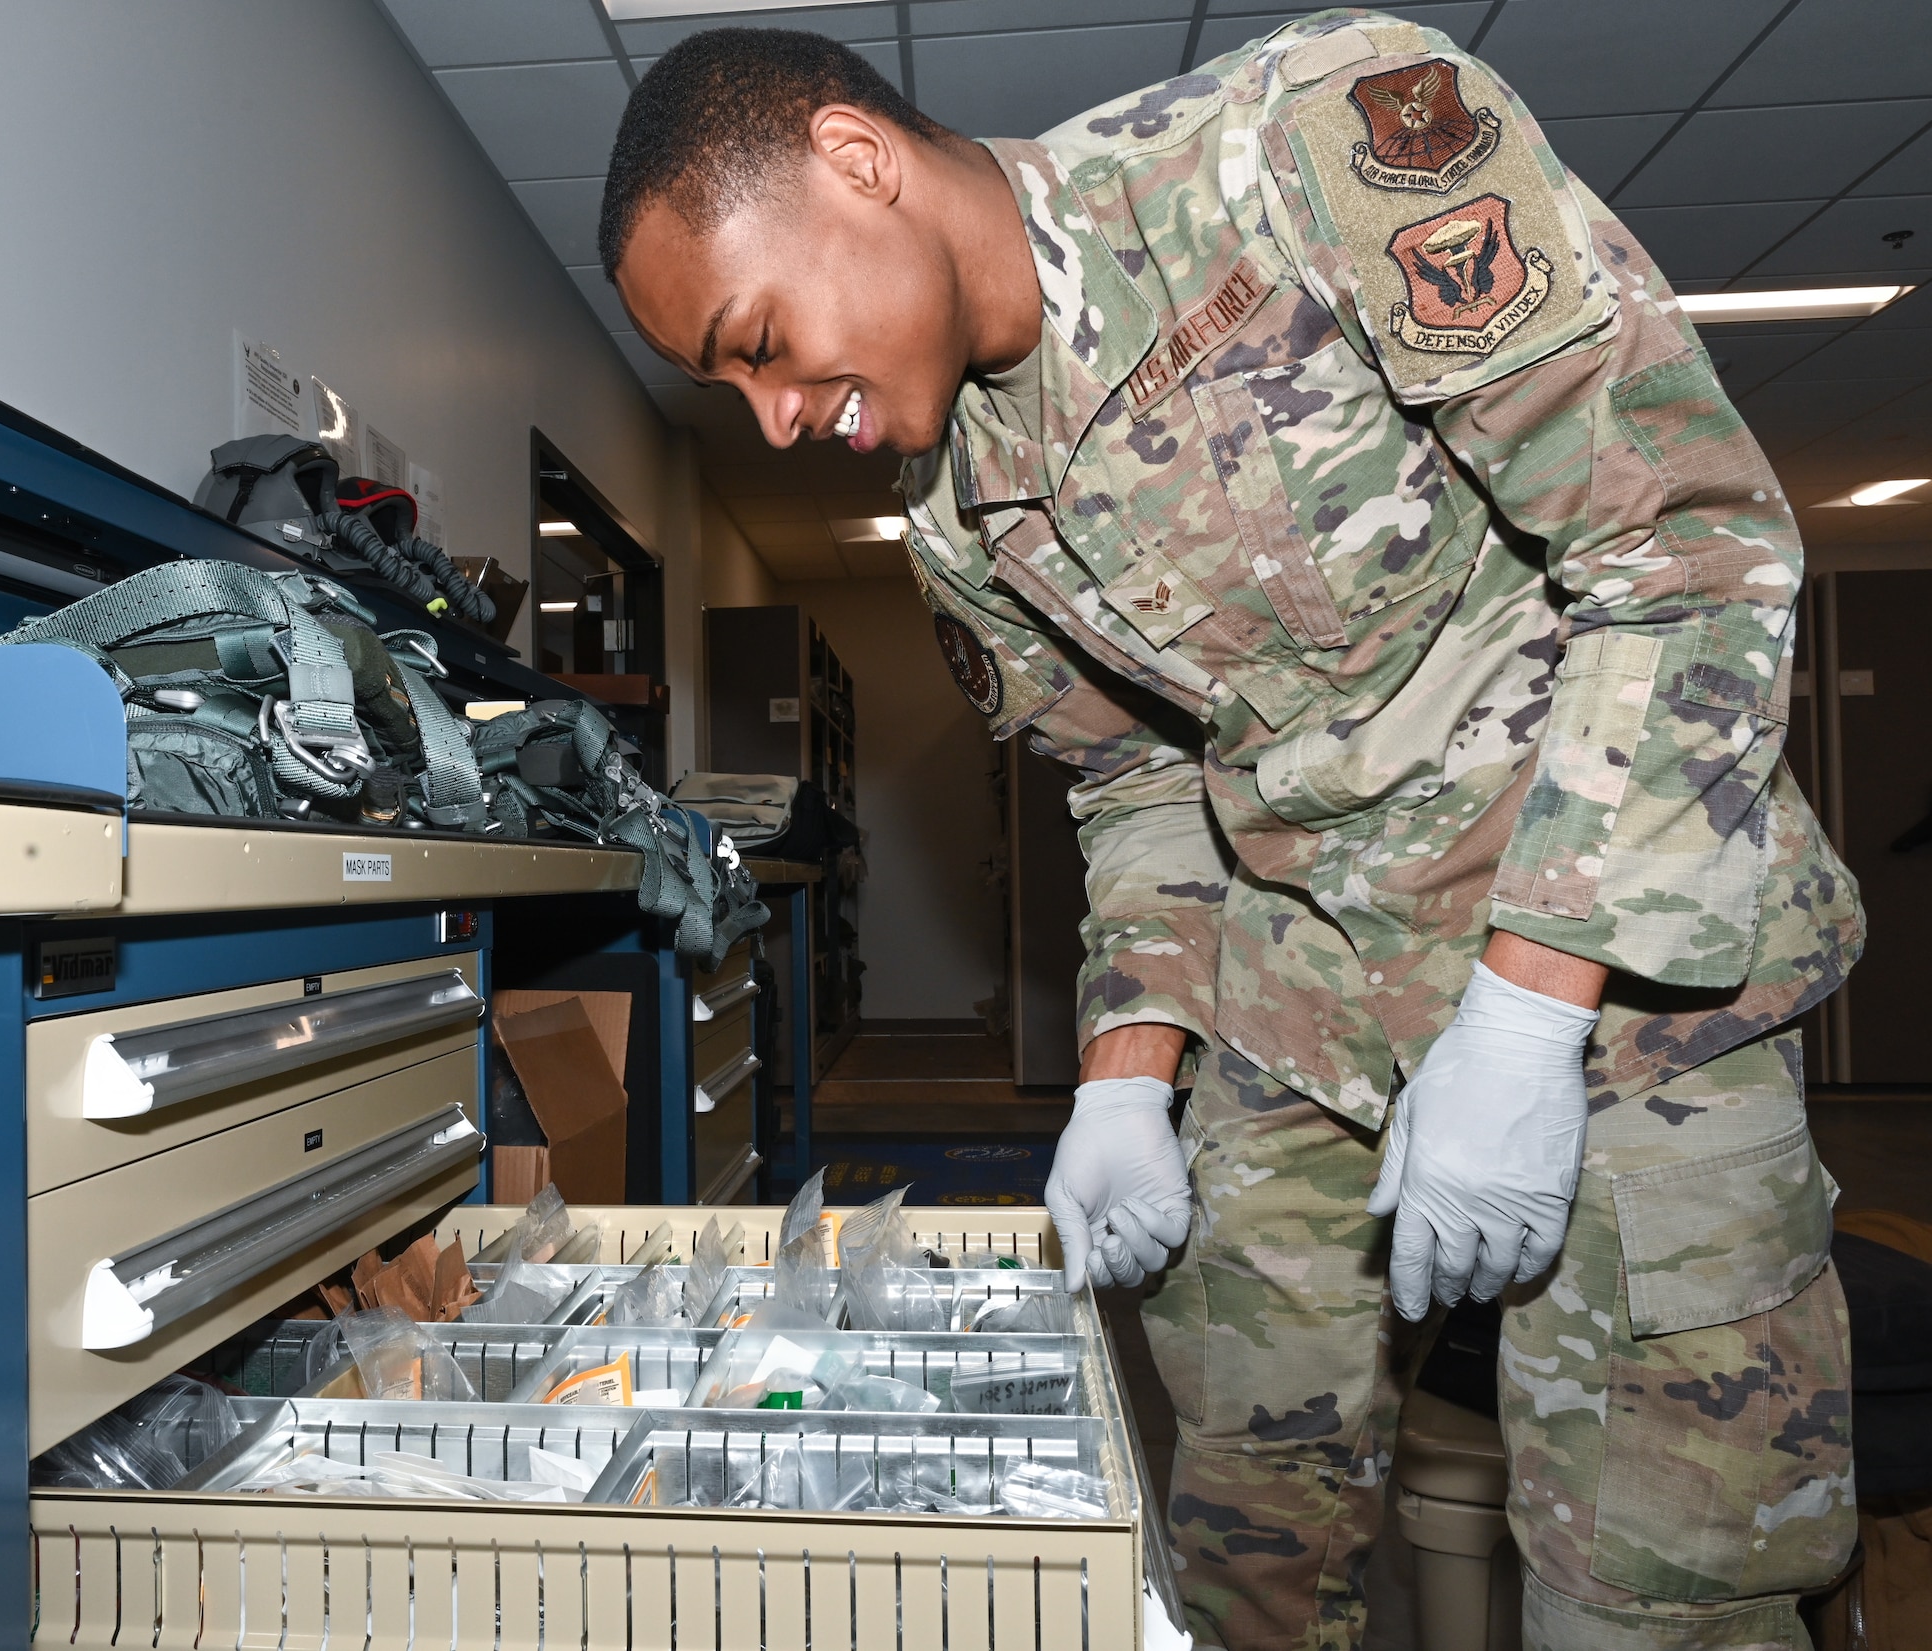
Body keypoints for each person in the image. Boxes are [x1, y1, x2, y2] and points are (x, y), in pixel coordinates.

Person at [599, 13, 1860, 1648]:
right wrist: (1126, 1079)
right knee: (1247, 1552)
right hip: (1298, 1008)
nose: (770, 417)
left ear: (858, 161)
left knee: (1659, 1595)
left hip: (1616, 985)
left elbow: (1684, 554)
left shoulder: (1303, 150)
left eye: (759, 338)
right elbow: (1134, 788)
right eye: (731, 386)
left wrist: (1528, 1012)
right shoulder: (964, 520)